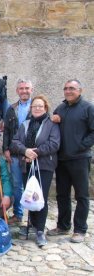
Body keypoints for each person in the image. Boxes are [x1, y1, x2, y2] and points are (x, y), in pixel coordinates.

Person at [47, 79, 94, 243]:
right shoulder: (60, 108)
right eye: (66, 88)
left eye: (72, 88)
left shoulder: (88, 108)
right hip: (62, 159)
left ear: (80, 90)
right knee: (62, 194)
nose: (68, 91)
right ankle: (63, 225)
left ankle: (80, 230)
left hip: (80, 158)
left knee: (82, 195)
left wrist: (81, 146)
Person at [10, 95, 60, 247]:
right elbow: (15, 142)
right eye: (34, 106)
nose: (37, 108)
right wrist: (25, 151)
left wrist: (35, 152)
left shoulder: (51, 124)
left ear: (45, 108)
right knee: (30, 194)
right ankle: (31, 224)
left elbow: (54, 144)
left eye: (40, 106)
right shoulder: (25, 124)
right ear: (31, 109)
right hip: (26, 164)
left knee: (41, 196)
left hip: (44, 165)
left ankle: (40, 230)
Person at [3, 79, 33, 224]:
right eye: (21, 88)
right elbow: (7, 131)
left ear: (31, 90)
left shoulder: (38, 107)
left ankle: (33, 217)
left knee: (32, 184)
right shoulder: (12, 108)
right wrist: (5, 149)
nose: (24, 91)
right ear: (17, 91)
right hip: (15, 152)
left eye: (27, 88)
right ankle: (18, 213)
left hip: (32, 153)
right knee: (16, 184)